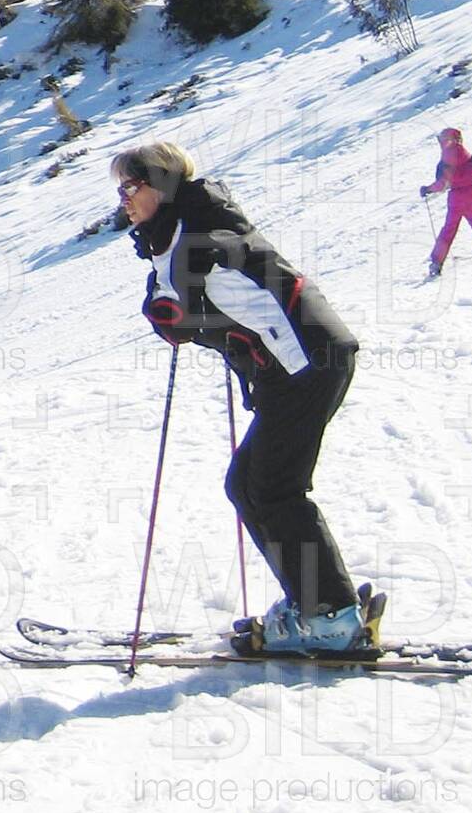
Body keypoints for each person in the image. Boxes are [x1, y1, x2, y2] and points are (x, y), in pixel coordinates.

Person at [114, 139, 372, 654]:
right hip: (295, 366)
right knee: (248, 485)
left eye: (130, 186)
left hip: (305, 364)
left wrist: (172, 312)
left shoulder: (196, 237)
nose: (123, 199)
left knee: (273, 489)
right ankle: (318, 606)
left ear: (160, 186)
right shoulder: (186, 228)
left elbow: (183, 316)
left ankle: (330, 618)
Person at [421, 126, 472, 277]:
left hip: (456, 198)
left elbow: (442, 185)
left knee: (449, 229)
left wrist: (427, 189)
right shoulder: (471, 159)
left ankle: (437, 262)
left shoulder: (445, 163)